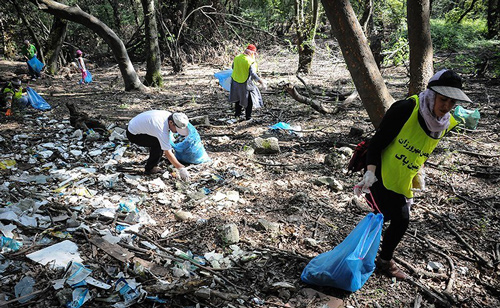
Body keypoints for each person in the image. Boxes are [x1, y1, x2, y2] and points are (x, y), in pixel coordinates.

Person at [354, 69, 472, 280]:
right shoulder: (406, 108)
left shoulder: (444, 123)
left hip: (403, 175)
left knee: (389, 216)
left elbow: (423, 146)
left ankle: (370, 254)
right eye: (443, 99)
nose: (446, 107)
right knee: (400, 219)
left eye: (452, 102)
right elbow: (377, 142)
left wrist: (419, 169)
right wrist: (370, 174)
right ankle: (383, 260)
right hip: (380, 170)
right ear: (432, 93)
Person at [126, 110, 191, 180]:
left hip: (136, 124)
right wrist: (180, 168)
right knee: (158, 144)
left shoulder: (171, 117)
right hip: (133, 134)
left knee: (162, 141)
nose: (177, 132)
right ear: (171, 122)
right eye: (177, 130)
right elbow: (167, 152)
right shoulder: (161, 128)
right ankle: (150, 168)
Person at [229, 44, 267, 121]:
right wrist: (261, 82)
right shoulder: (250, 61)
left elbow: (233, 67)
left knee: (238, 99)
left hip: (235, 82)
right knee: (249, 100)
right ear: (252, 53)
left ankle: (237, 115)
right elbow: (253, 74)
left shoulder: (237, 57)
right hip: (245, 83)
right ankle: (248, 117)